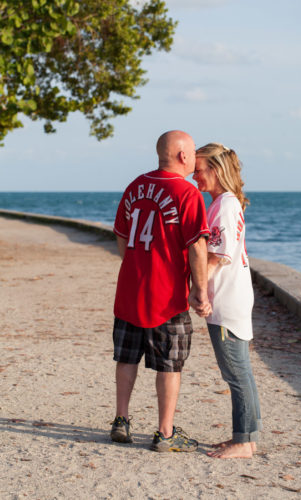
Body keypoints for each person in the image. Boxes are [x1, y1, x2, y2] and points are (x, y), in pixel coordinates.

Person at [111, 130, 211, 452]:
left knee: (127, 358)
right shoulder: (187, 193)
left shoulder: (134, 187)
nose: (196, 161)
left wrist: (137, 267)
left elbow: (121, 236)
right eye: (194, 153)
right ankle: (165, 433)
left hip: (130, 292)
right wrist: (200, 289)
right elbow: (197, 247)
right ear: (183, 156)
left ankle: (121, 421)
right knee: (170, 364)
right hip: (167, 298)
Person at [193, 142, 262, 459]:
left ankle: (244, 442)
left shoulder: (222, 206)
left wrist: (199, 292)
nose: (195, 176)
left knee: (235, 373)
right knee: (241, 371)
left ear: (216, 170)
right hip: (234, 295)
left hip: (226, 299)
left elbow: (216, 258)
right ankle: (246, 436)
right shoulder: (228, 203)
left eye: (199, 170)